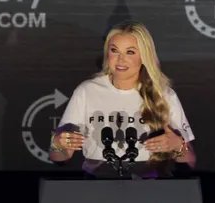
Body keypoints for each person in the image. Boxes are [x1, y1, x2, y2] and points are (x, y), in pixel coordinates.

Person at [49, 22, 196, 177]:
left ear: (144, 56)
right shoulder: (86, 91)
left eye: (130, 52)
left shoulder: (164, 95)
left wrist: (177, 145)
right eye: (114, 51)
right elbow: (59, 157)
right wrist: (58, 144)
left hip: (149, 189)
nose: (120, 59)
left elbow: (190, 161)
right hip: (97, 188)